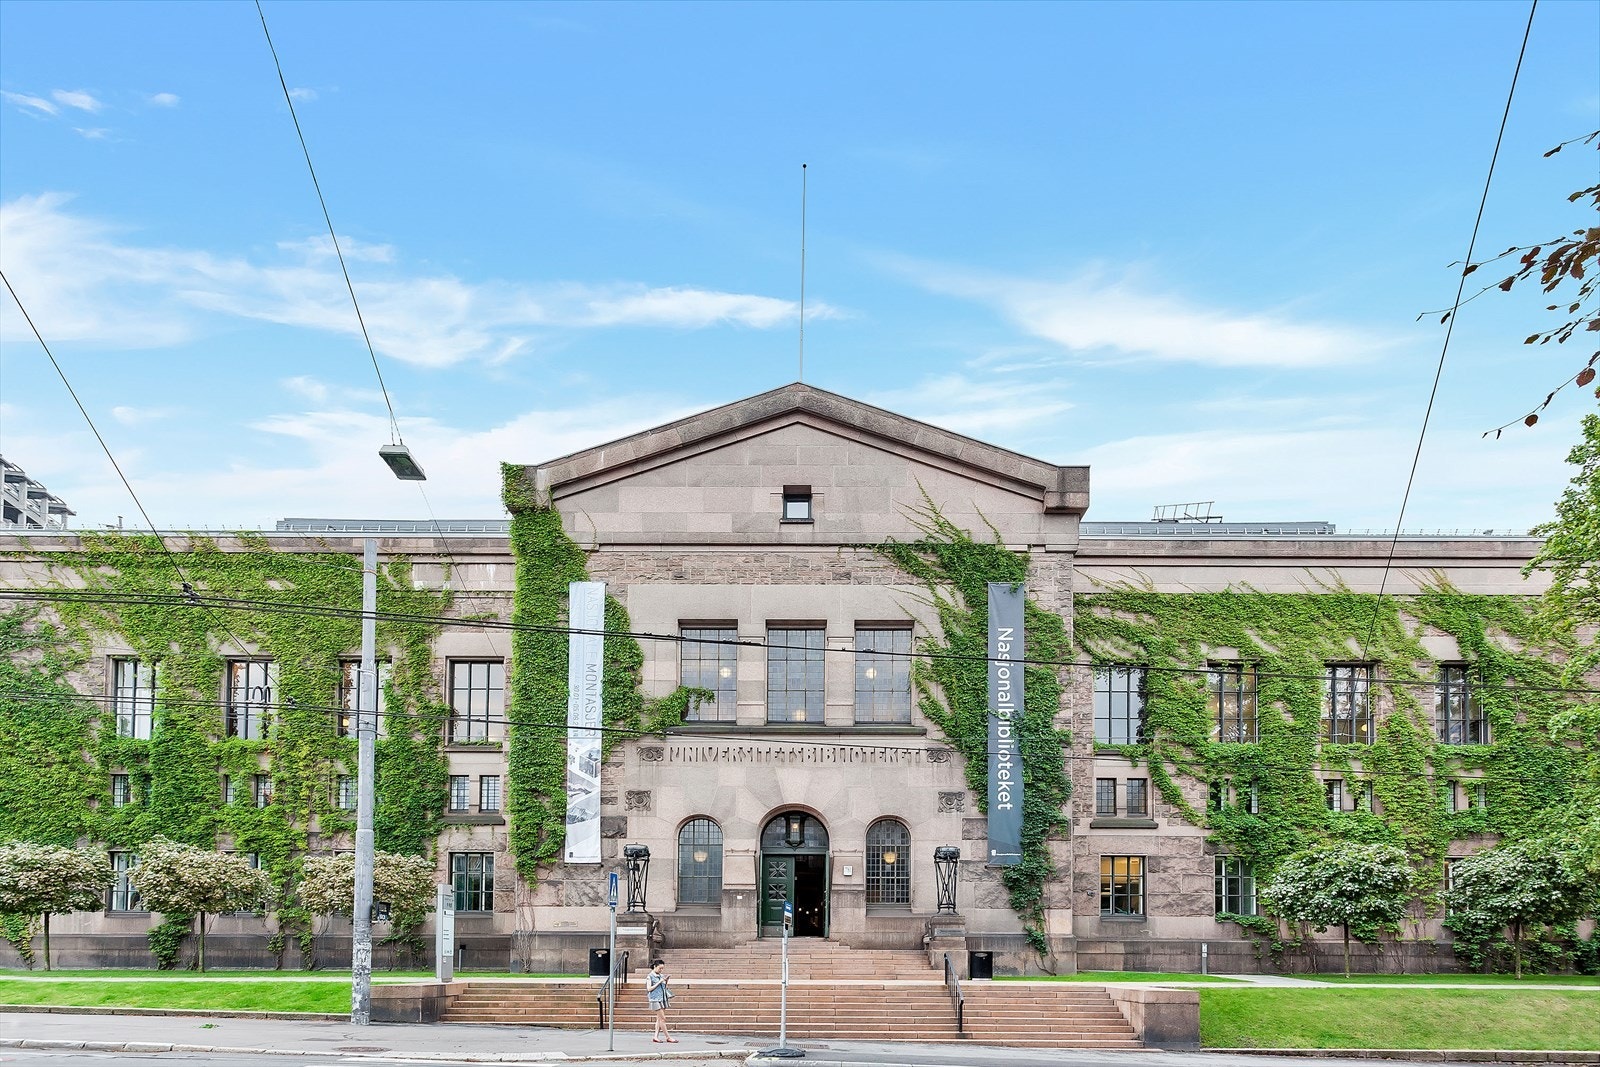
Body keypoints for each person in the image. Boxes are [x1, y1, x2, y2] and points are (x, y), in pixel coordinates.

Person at [646, 958, 676, 1042]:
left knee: (659, 1019)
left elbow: (664, 987)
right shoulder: (650, 976)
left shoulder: (661, 976)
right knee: (663, 1018)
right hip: (655, 999)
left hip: (662, 998)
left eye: (662, 968)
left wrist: (666, 981)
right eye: (660, 968)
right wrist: (659, 982)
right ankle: (668, 1037)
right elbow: (649, 989)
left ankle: (655, 1036)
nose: (661, 970)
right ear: (655, 967)